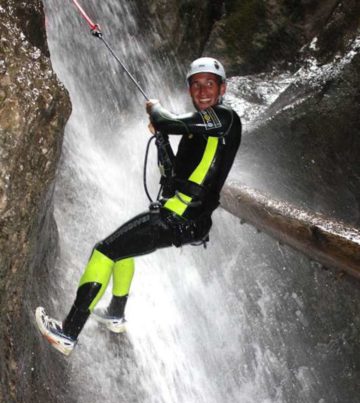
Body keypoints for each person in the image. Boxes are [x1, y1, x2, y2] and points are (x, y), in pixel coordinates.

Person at [35, 57, 242, 356]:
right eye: (196, 84)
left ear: (222, 88)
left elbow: (169, 121)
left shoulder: (225, 118)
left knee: (104, 250)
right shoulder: (199, 133)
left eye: (210, 83)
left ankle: (68, 332)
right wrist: (160, 139)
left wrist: (156, 111)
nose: (203, 90)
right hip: (181, 216)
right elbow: (171, 175)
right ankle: (115, 313)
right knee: (122, 249)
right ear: (189, 90)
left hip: (179, 217)